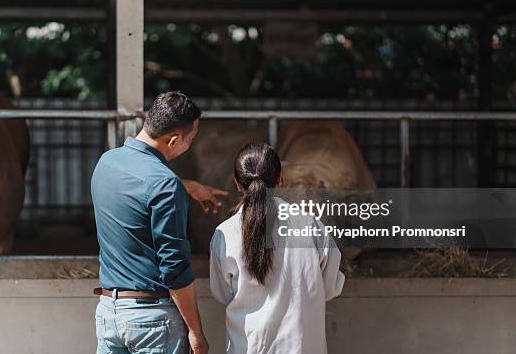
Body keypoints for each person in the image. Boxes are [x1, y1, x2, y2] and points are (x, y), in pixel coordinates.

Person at [92, 91, 225, 354]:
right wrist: (196, 332)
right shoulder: (165, 185)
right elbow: (174, 269)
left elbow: (134, 195)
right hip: (152, 322)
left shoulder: (107, 162)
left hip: (108, 314)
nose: (189, 145)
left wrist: (184, 187)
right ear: (174, 140)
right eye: (191, 139)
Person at [209, 143, 345, 354]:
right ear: (281, 179)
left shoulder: (224, 233)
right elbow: (329, 286)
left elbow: (222, 293)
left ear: (237, 183)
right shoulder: (310, 225)